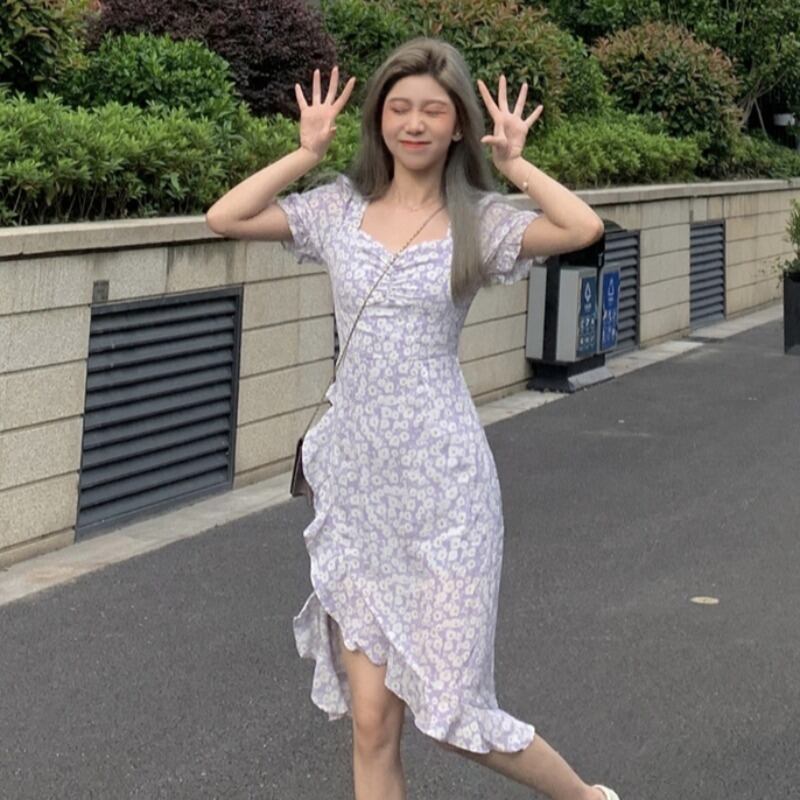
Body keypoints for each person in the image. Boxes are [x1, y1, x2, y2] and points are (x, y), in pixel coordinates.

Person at [206, 36, 619, 800]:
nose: (415, 123)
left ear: (459, 124)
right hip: (359, 490)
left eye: (433, 109)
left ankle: (587, 799)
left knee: (454, 713)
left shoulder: (481, 221)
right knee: (372, 723)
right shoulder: (338, 208)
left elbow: (580, 228)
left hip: (446, 494)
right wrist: (305, 153)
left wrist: (517, 164)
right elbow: (225, 217)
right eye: (399, 108)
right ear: (379, 119)